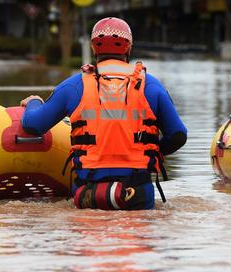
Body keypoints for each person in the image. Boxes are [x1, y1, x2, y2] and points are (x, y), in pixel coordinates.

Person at [20, 17, 187, 210]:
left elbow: (33, 124)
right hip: (137, 193)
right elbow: (177, 135)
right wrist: (151, 151)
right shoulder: (151, 86)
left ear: (93, 48)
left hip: (88, 193)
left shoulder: (74, 86)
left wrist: (34, 101)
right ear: (129, 48)